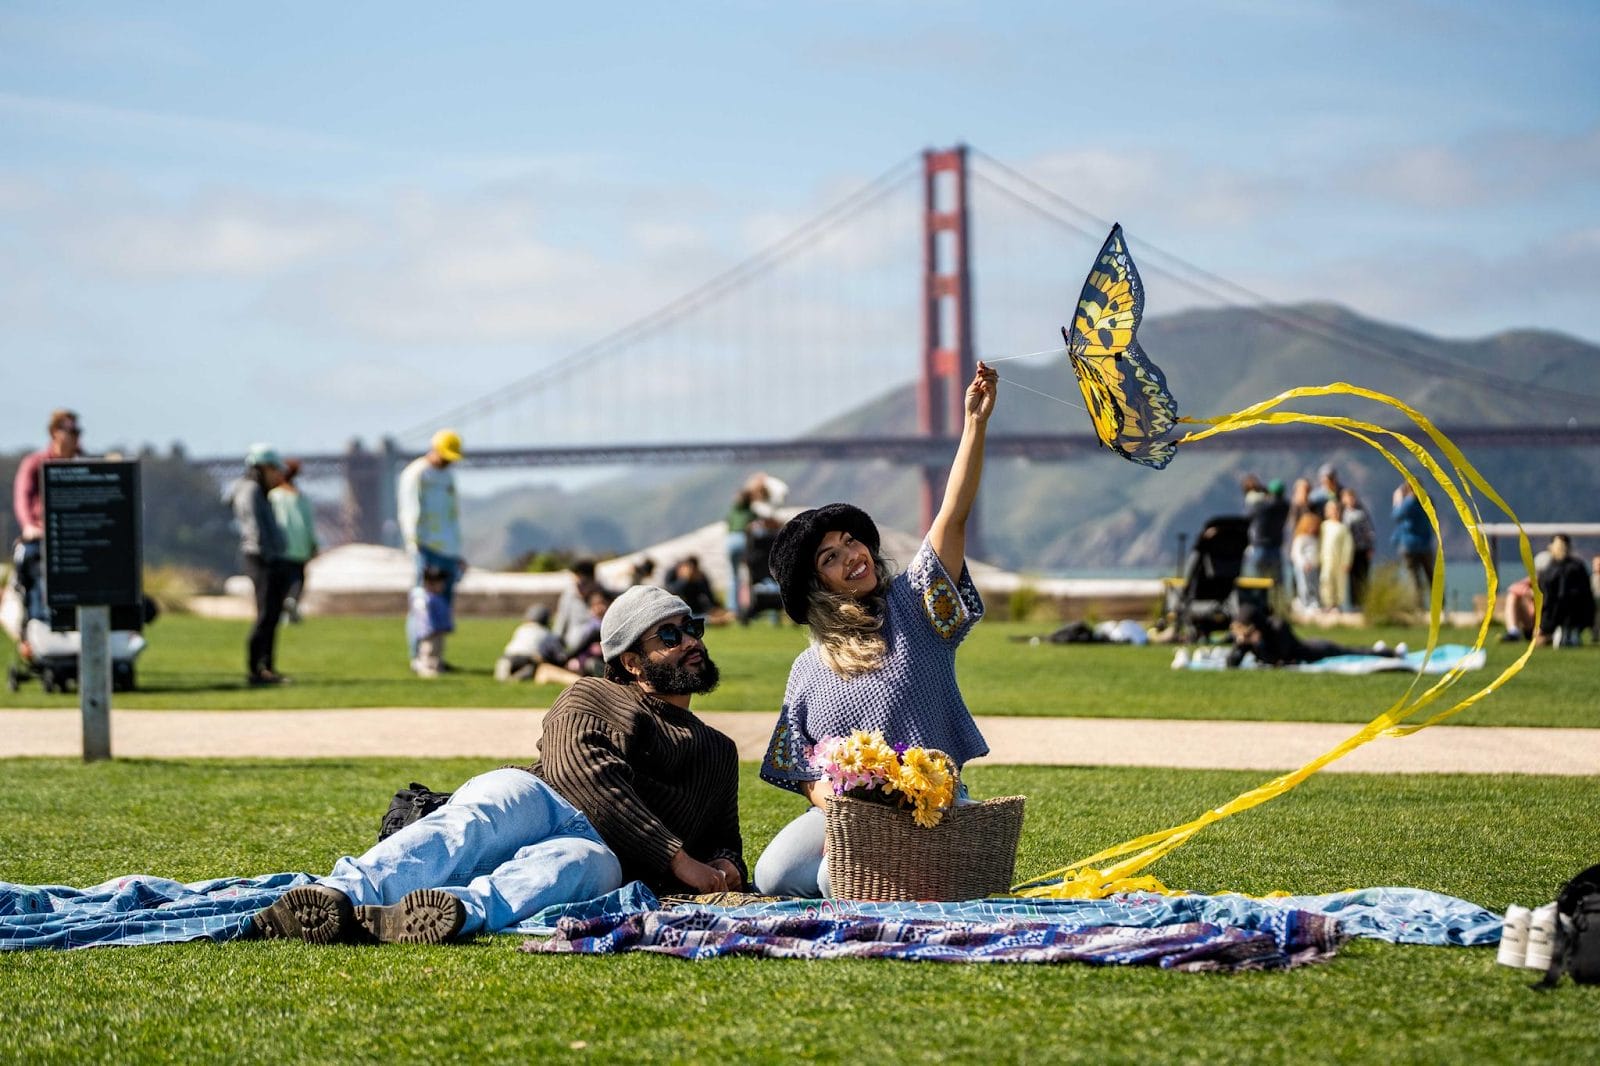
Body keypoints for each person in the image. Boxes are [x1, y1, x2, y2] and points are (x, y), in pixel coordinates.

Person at [252, 585, 744, 944]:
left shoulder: (719, 750)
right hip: (543, 796)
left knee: (582, 868)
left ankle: (445, 915)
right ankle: (336, 895)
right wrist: (676, 858)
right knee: (470, 827)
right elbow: (583, 773)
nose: (691, 641)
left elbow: (724, 836)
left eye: (692, 628)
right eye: (669, 635)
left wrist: (726, 865)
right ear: (632, 661)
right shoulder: (594, 694)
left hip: (603, 848)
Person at [754, 362, 997, 898]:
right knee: (772, 877)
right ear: (816, 585)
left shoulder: (916, 606)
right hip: (850, 813)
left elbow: (952, 518)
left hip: (928, 806)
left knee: (830, 878)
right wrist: (835, 807)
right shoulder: (808, 667)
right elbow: (801, 768)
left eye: (851, 541)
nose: (852, 556)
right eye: (830, 557)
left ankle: (948, 841)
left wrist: (974, 424)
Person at [10, 409, 85, 645]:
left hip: (78, 538)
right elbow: (22, 499)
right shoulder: (34, 464)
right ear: (54, 432)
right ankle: (32, 627)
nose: (75, 436)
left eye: (77, 431)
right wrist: (29, 526)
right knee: (29, 562)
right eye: (70, 430)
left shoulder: (84, 464)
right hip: (42, 537)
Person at [225, 444, 292, 685]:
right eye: (274, 469)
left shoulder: (257, 490)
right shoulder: (251, 490)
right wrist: (270, 555)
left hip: (266, 556)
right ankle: (256, 669)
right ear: (262, 467)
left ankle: (267, 667)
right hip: (262, 558)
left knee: (272, 614)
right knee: (266, 615)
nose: (277, 475)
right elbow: (255, 528)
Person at [398, 428, 466, 618]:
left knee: (443, 611)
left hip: (449, 550)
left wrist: (457, 551)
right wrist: (415, 545)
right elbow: (410, 511)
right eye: (445, 457)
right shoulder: (416, 474)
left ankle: (438, 639)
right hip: (427, 548)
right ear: (435, 450)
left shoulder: (448, 476)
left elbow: (452, 515)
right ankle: (420, 639)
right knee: (424, 607)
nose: (448, 462)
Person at [1225, 604, 1401, 669]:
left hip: (1313, 650)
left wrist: (1259, 643)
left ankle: (1387, 652)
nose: (1244, 637)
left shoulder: (1277, 627)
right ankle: (1381, 650)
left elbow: (1279, 659)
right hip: (1300, 650)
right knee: (1349, 650)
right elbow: (1231, 664)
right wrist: (1240, 645)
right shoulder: (1247, 638)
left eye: (1247, 632)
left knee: (1349, 651)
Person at [268, 458, 318, 624]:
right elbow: (309, 524)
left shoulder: (273, 496)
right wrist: (313, 544)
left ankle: (285, 610)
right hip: (300, 545)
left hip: (280, 545)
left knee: (281, 580)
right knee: (298, 578)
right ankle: (292, 603)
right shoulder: (302, 498)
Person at [493, 604, 580, 684]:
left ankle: (504, 671)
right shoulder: (546, 633)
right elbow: (555, 653)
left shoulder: (521, 629)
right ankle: (518, 676)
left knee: (505, 667)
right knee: (533, 667)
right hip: (528, 658)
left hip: (508, 656)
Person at [1536, 534, 1595, 647]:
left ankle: (1562, 631)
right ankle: (1566, 632)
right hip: (1573, 614)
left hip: (1562, 614)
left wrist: (1544, 625)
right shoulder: (1576, 566)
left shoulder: (1556, 569)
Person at [407, 566, 455, 678]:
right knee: (429, 650)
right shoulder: (425, 598)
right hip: (430, 632)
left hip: (438, 630)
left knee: (437, 649)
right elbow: (424, 616)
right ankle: (425, 668)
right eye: (440, 583)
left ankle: (435, 666)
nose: (443, 586)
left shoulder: (437, 598)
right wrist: (430, 628)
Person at [1391, 482, 1435, 602]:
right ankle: (1440, 604)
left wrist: (1397, 501)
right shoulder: (1427, 500)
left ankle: (1419, 605)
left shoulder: (1409, 502)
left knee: (1414, 577)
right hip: (1425, 543)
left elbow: (1397, 515)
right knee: (1431, 576)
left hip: (1410, 544)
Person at [1242, 475, 1288, 584]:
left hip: (1259, 547)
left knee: (1257, 582)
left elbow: (1249, 515)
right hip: (1276, 548)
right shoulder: (1285, 506)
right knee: (1276, 582)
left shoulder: (1261, 507)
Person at [665, 555, 731, 624]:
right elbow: (671, 593)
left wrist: (716, 608)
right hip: (678, 610)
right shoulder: (672, 573)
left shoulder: (699, 575)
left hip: (697, 609)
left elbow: (709, 595)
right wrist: (684, 580)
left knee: (717, 614)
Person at [1339, 487, 1376, 609]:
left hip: (1362, 548)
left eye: (1351, 497)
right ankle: (1354, 604)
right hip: (1349, 550)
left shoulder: (1362, 512)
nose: (1350, 500)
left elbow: (1369, 530)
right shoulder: (1342, 514)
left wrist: (1371, 546)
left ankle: (1364, 602)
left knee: (1363, 576)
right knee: (1352, 577)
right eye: (1347, 497)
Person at [1319, 499, 1354, 612]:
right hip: (1326, 559)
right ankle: (1328, 603)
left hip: (1339, 560)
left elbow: (1348, 546)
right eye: (1330, 509)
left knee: (1340, 582)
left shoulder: (1343, 528)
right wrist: (1319, 558)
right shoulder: (1324, 526)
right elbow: (1320, 542)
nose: (1333, 511)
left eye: (1335, 509)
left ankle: (1338, 605)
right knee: (1326, 580)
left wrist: (1347, 561)